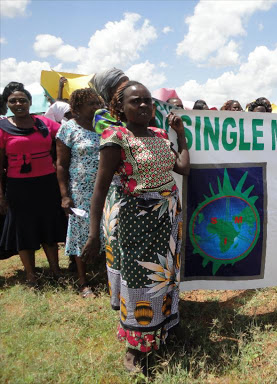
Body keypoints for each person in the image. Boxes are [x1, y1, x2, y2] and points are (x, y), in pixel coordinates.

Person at [81, 81, 190, 371]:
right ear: (120, 108)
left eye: (147, 101)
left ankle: (165, 328)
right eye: (136, 101)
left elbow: (183, 168)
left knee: (165, 276)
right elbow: (100, 188)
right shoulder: (116, 137)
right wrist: (93, 233)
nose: (143, 106)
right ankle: (135, 348)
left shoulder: (158, 133)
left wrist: (180, 136)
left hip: (167, 217)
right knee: (139, 282)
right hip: (136, 220)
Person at [0, 82, 67, 285]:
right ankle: (31, 275)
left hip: (47, 184)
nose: (19, 103)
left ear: (30, 102)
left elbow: (66, 134)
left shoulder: (43, 123)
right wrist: (0, 195)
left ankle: (56, 271)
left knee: (49, 226)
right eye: (13, 101)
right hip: (18, 187)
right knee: (23, 229)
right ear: (7, 104)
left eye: (23, 100)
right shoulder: (2, 128)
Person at [56, 88, 104, 297]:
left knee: (107, 229)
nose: (96, 107)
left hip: (109, 188)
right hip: (81, 190)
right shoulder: (68, 129)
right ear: (76, 107)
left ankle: (108, 275)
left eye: (97, 103)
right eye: (91, 104)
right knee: (80, 232)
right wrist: (65, 195)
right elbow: (61, 165)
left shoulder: (105, 127)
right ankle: (83, 282)